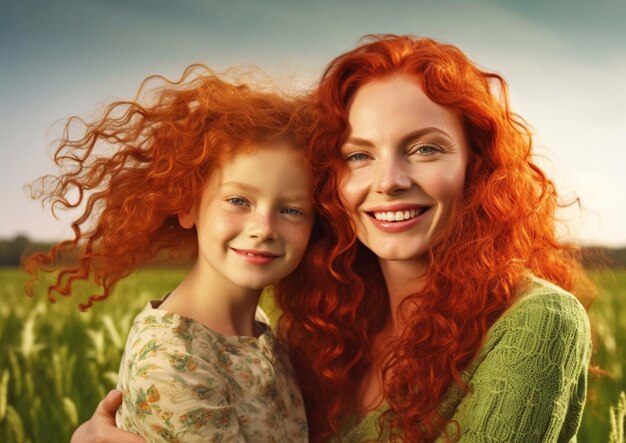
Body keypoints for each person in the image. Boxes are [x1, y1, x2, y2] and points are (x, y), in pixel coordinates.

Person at [70, 35, 593, 442]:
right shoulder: (323, 329)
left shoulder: (536, 322)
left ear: (476, 168)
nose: (387, 181)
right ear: (331, 185)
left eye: (425, 149)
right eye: (359, 155)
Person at [23, 66, 318, 442]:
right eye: (238, 200)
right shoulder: (172, 359)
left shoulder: (257, 325)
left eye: (291, 209)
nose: (263, 228)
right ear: (187, 205)